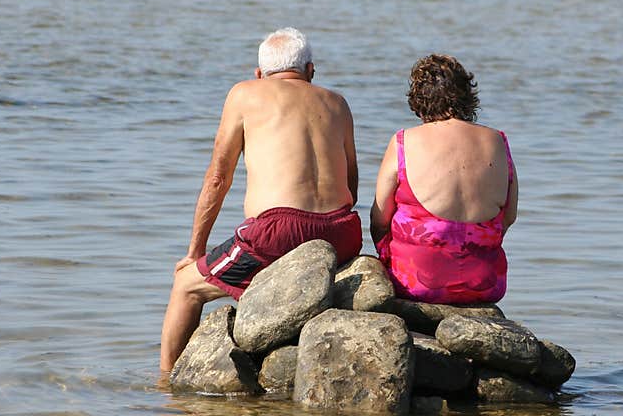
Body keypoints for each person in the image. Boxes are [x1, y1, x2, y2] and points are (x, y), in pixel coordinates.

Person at [160, 27, 362, 372]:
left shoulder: (245, 94)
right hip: (342, 231)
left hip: (276, 231)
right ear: (311, 71)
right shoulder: (337, 103)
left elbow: (217, 179)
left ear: (259, 74)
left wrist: (195, 251)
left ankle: (166, 387)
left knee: (185, 286)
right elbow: (352, 183)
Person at [370, 54, 518, 304]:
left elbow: (379, 219)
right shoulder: (498, 141)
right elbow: (509, 216)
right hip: (485, 283)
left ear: (418, 98)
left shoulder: (404, 141)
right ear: (467, 95)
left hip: (416, 281)